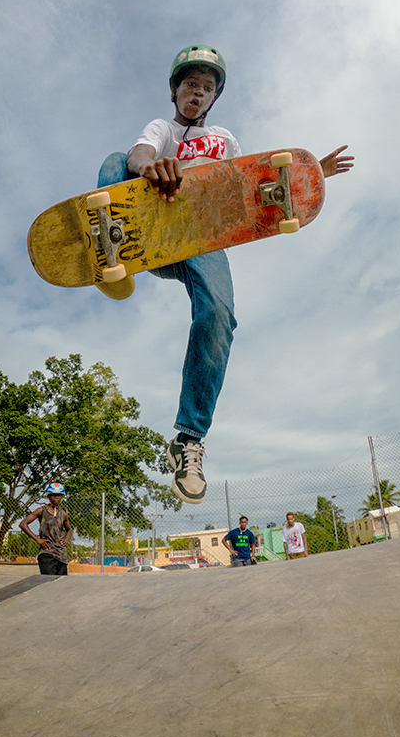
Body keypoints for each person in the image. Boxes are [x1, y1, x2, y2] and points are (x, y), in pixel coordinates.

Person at [97, 44, 354, 507]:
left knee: (219, 315)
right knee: (114, 159)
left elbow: (253, 185)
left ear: (214, 98)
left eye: (207, 87)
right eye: (190, 85)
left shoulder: (222, 138)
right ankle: (111, 255)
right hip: (151, 234)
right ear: (176, 91)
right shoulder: (163, 130)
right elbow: (138, 154)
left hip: (202, 240)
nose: (197, 92)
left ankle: (188, 439)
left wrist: (311, 174)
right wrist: (150, 166)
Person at [19, 482, 72, 575]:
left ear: (62, 497)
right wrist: (37, 539)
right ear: (48, 496)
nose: (56, 497)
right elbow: (23, 524)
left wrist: (66, 540)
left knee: (61, 582)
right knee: (48, 581)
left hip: (61, 554)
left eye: (58, 495)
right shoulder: (42, 511)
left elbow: (69, 529)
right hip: (47, 552)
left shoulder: (62, 514)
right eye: (53, 495)